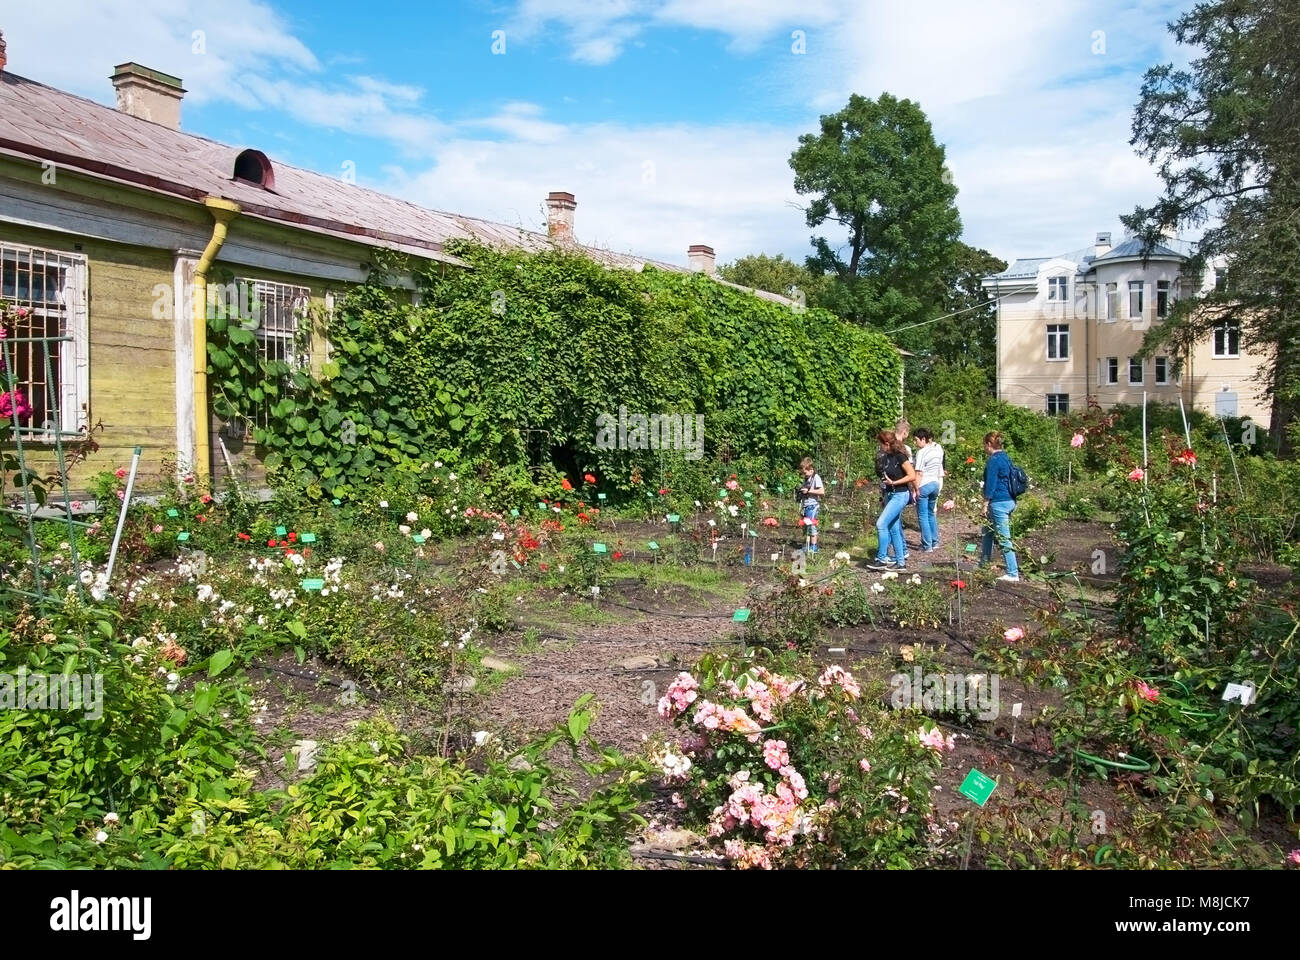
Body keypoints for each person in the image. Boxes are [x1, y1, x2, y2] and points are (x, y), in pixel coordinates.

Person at [868, 430, 916, 570]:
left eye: (880, 444)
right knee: (894, 528)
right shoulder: (887, 457)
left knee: (881, 524)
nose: (880, 447)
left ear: (887, 443)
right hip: (890, 494)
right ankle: (901, 563)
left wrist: (895, 483)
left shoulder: (900, 456)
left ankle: (882, 558)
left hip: (900, 494)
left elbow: (912, 475)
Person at [980, 431, 1020, 582]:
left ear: (989, 444)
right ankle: (984, 563)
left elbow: (990, 485)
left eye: (985, 445)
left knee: (1004, 538)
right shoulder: (1006, 457)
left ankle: (1012, 572)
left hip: (999, 502)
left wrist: (985, 504)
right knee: (987, 531)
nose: (984, 448)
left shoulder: (994, 460)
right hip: (1009, 500)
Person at [913, 427, 944, 551]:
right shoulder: (937, 450)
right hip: (935, 483)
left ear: (923, 439)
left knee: (923, 516)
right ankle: (935, 541)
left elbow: (919, 472)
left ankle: (927, 545)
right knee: (931, 513)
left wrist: (915, 489)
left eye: (916, 440)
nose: (915, 443)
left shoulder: (921, 453)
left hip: (924, 484)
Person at [797, 457, 825, 553]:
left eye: (805, 472)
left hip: (813, 506)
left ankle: (814, 546)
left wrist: (809, 491)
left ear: (811, 469)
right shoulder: (807, 478)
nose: (803, 474)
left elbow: (822, 491)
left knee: (812, 526)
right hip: (806, 505)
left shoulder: (816, 478)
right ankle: (808, 545)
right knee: (807, 526)